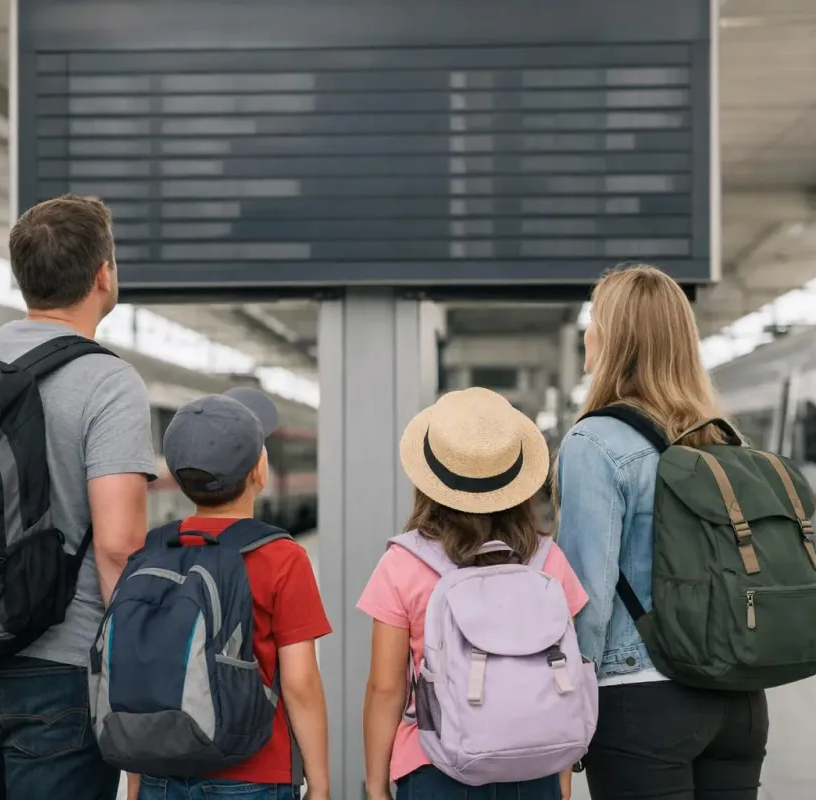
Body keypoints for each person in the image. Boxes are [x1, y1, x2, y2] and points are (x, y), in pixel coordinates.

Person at [0, 195, 156, 800]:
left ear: (24, 276)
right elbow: (119, 545)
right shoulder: (108, 380)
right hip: (59, 672)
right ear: (103, 274)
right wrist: (137, 678)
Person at [554, 264, 769, 799]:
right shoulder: (722, 439)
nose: (587, 333)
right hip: (739, 700)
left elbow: (587, 596)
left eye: (594, 320)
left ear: (613, 339)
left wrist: (565, 707)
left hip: (641, 700)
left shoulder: (596, 441)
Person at [358, 387, 591, 800]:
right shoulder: (546, 559)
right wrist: (561, 777)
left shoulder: (403, 563)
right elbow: (565, 671)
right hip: (534, 766)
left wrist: (376, 785)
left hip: (434, 765)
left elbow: (386, 688)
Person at [136, 387, 332, 800]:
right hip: (255, 773)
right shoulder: (282, 557)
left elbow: (136, 676)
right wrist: (320, 782)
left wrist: (137, 781)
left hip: (162, 771)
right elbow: (300, 682)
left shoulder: (151, 552)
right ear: (260, 471)